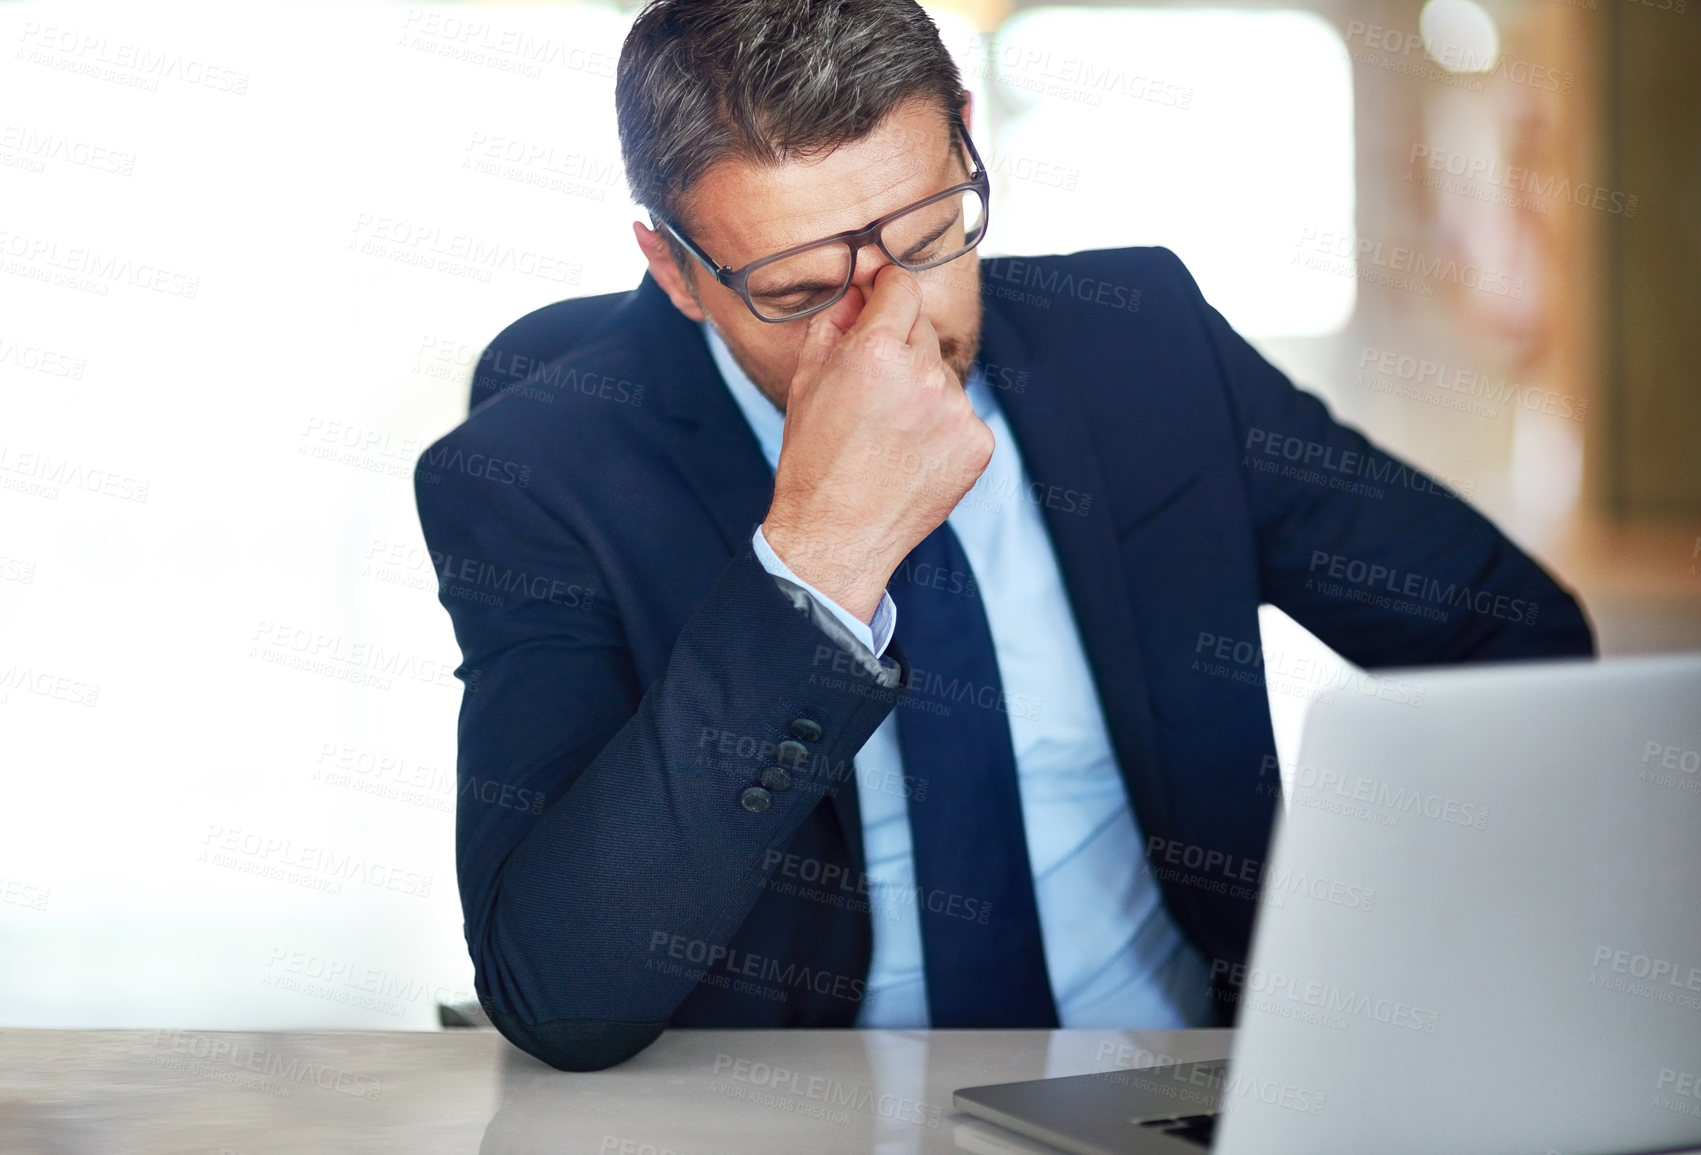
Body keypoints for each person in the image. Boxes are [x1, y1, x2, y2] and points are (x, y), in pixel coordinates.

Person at [412, 0, 1593, 1072]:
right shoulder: (536, 475)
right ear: (673, 267)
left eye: (926, 233)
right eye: (798, 286)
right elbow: (560, 993)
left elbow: (1514, 639)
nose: (890, 325)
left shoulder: (1148, 349)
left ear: (969, 140)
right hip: (803, 1115)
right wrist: (815, 563)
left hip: (1182, 1078)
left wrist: (1377, 977)